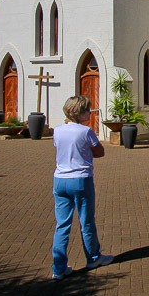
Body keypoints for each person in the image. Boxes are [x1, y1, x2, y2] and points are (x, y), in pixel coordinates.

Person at [51, 95, 113, 280]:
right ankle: (93, 258)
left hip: (60, 179)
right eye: (87, 109)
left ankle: (58, 268)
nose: (89, 112)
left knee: (62, 224)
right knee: (86, 221)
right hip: (80, 179)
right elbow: (100, 152)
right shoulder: (86, 132)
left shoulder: (58, 131)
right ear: (79, 112)